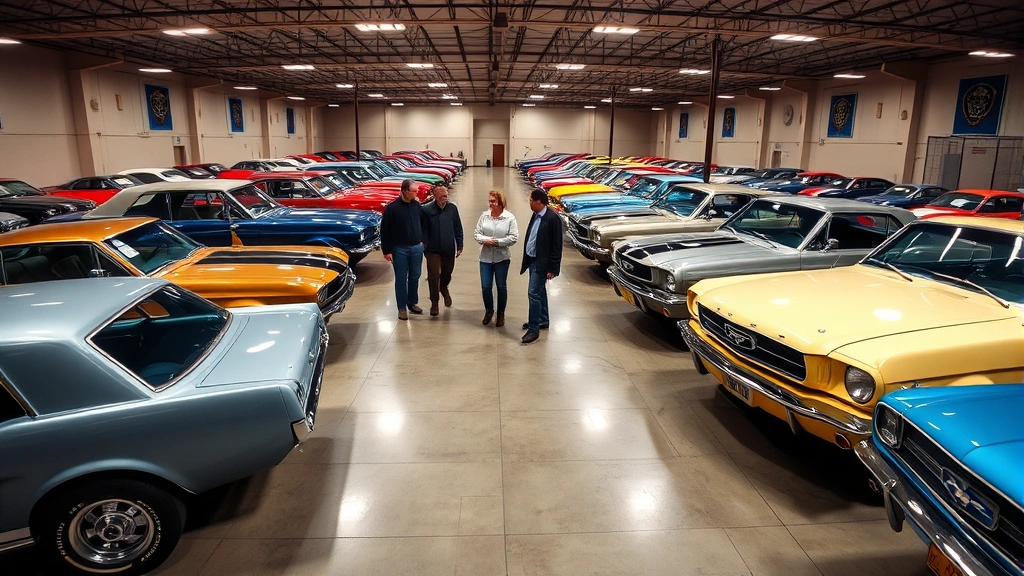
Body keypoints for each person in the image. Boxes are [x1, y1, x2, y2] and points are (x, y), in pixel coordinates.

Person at [520, 188, 562, 344]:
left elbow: (557, 246)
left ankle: (533, 330)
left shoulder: (552, 219)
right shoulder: (536, 214)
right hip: (532, 259)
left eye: (531, 201)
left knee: (533, 294)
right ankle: (543, 319)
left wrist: (553, 268)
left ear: (538, 202)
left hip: (542, 263)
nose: (529, 203)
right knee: (539, 291)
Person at [380, 179, 424, 321]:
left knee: (415, 276)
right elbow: (385, 230)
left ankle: (412, 303)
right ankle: (401, 308)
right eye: (414, 191)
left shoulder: (417, 206)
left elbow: (424, 225)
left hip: (417, 247)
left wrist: (423, 242)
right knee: (401, 279)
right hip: (399, 249)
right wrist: (386, 250)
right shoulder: (392, 208)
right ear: (405, 191)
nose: (417, 193)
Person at [474, 189, 518, 327]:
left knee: (501, 286)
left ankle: (501, 314)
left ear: (500, 202)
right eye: (490, 201)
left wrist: (498, 242)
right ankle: (489, 310)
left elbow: (513, 237)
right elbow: (477, 233)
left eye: (493, 201)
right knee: (486, 286)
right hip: (485, 257)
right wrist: (486, 240)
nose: (491, 203)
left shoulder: (509, 217)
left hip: (502, 258)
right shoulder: (484, 216)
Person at [420, 186, 464, 316]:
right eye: (442, 197)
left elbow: (458, 227)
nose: (444, 199)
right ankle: (434, 302)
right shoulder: (426, 210)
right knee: (433, 276)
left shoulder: (452, 209)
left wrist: (460, 245)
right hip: (432, 250)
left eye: (446, 196)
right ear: (435, 197)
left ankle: (444, 288)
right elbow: (423, 229)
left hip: (448, 248)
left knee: (447, 273)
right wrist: (424, 244)